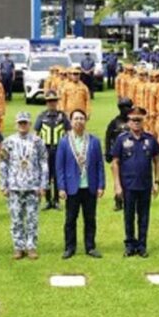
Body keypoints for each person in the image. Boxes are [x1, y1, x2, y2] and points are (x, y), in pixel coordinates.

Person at [111, 106, 159, 257]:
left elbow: (157, 160)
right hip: (128, 185)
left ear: (143, 121)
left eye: (139, 120)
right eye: (134, 120)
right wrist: (117, 185)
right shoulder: (122, 139)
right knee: (128, 216)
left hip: (145, 185)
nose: (136, 123)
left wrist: (157, 181)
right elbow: (115, 162)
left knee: (144, 216)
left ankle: (142, 245)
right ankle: (129, 245)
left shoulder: (150, 139)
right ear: (129, 121)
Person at [55, 109, 105, 259]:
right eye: (76, 118)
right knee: (70, 219)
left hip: (90, 186)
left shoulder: (94, 141)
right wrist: (61, 187)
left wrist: (101, 185)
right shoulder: (64, 142)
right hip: (72, 187)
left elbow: (99, 165)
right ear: (71, 122)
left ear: (85, 121)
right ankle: (70, 247)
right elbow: (59, 167)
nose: (79, 121)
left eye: (82, 118)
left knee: (90, 219)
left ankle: (90, 247)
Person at [0, 111, 49, 260]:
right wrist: (3, 184)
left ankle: (31, 246)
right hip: (14, 187)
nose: (22, 125)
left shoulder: (37, 141)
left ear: (30, 124)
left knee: (32, 219)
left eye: (25, 123)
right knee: (16, 219)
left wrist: (43, 184)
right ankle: (18, 247)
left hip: (33, 187)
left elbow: (43, 163)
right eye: (20, 123)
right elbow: (3, 163)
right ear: (16, 124)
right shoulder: (8, 142)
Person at [34, 90, 70, 210]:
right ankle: (48, 200)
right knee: (47, 175)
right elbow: (36, 134)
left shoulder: (62, 116)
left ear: (57, 102)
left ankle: (57, 200)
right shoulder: (42, 116)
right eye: (49, 101)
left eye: (54, 101)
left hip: (59, 149)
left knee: (58, 174)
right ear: (46, 103)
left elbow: (69, 133)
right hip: (46, 149)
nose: (52, 103)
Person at [103, 97, 133, 212]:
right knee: (118, 178)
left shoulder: (133, 121)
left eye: (127, 107)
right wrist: (107, 152)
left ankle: (130, 201)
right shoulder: (114, 122)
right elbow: (108, 137)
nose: (125, 110)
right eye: (123, 108)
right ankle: (118, 200)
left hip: (131, 155)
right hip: (118, 156)